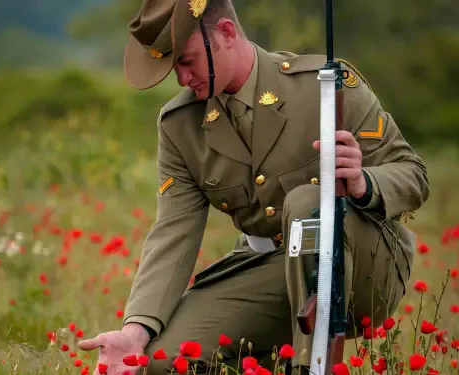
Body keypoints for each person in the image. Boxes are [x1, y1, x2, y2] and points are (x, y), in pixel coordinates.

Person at [78, 0, 430, 374]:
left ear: (227, 33)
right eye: (173, 67)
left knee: (308, 202)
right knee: (165, 362)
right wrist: (136, 331)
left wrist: (363, 182)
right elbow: (173, 231)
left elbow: (413, 173)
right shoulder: (181, 126)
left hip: (362, 264)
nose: (182, 79)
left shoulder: (323, 87)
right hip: (269, 266)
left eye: (187, 61)